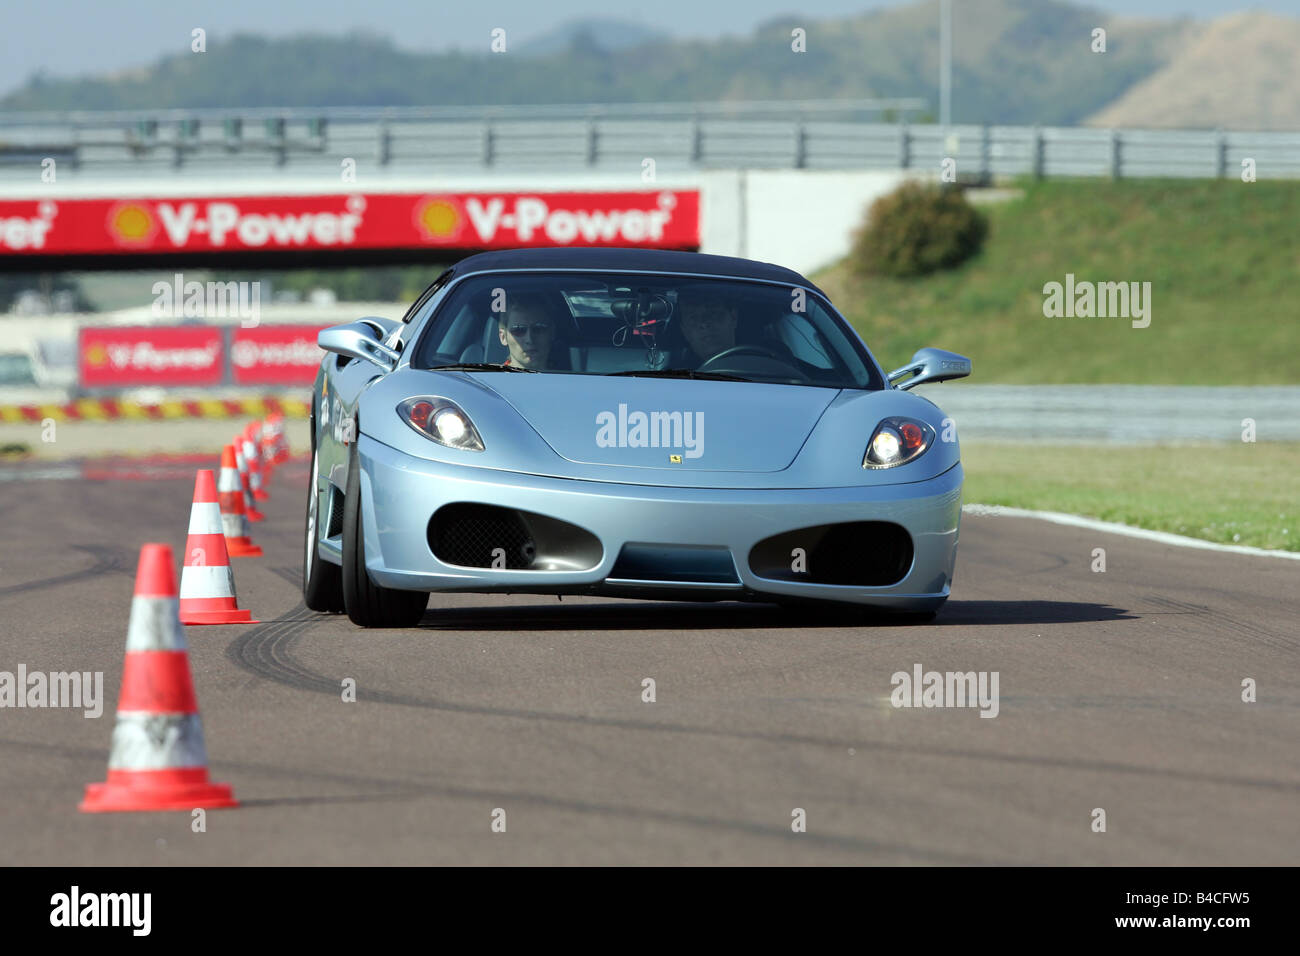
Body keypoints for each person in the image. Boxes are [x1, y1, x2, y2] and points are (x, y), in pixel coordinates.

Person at [676, 287, 739, 365]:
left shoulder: (757, 368)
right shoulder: (671, 376)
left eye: (713, 313)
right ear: (684, 331)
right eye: (694, 317)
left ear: (733, 317)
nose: (704, 323)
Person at [496, 293, 555, 369]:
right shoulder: (491, 379)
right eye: (518, 330)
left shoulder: (570, 379)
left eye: (538, 329)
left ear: (552, 333)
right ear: (503, 337)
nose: (529, 339)